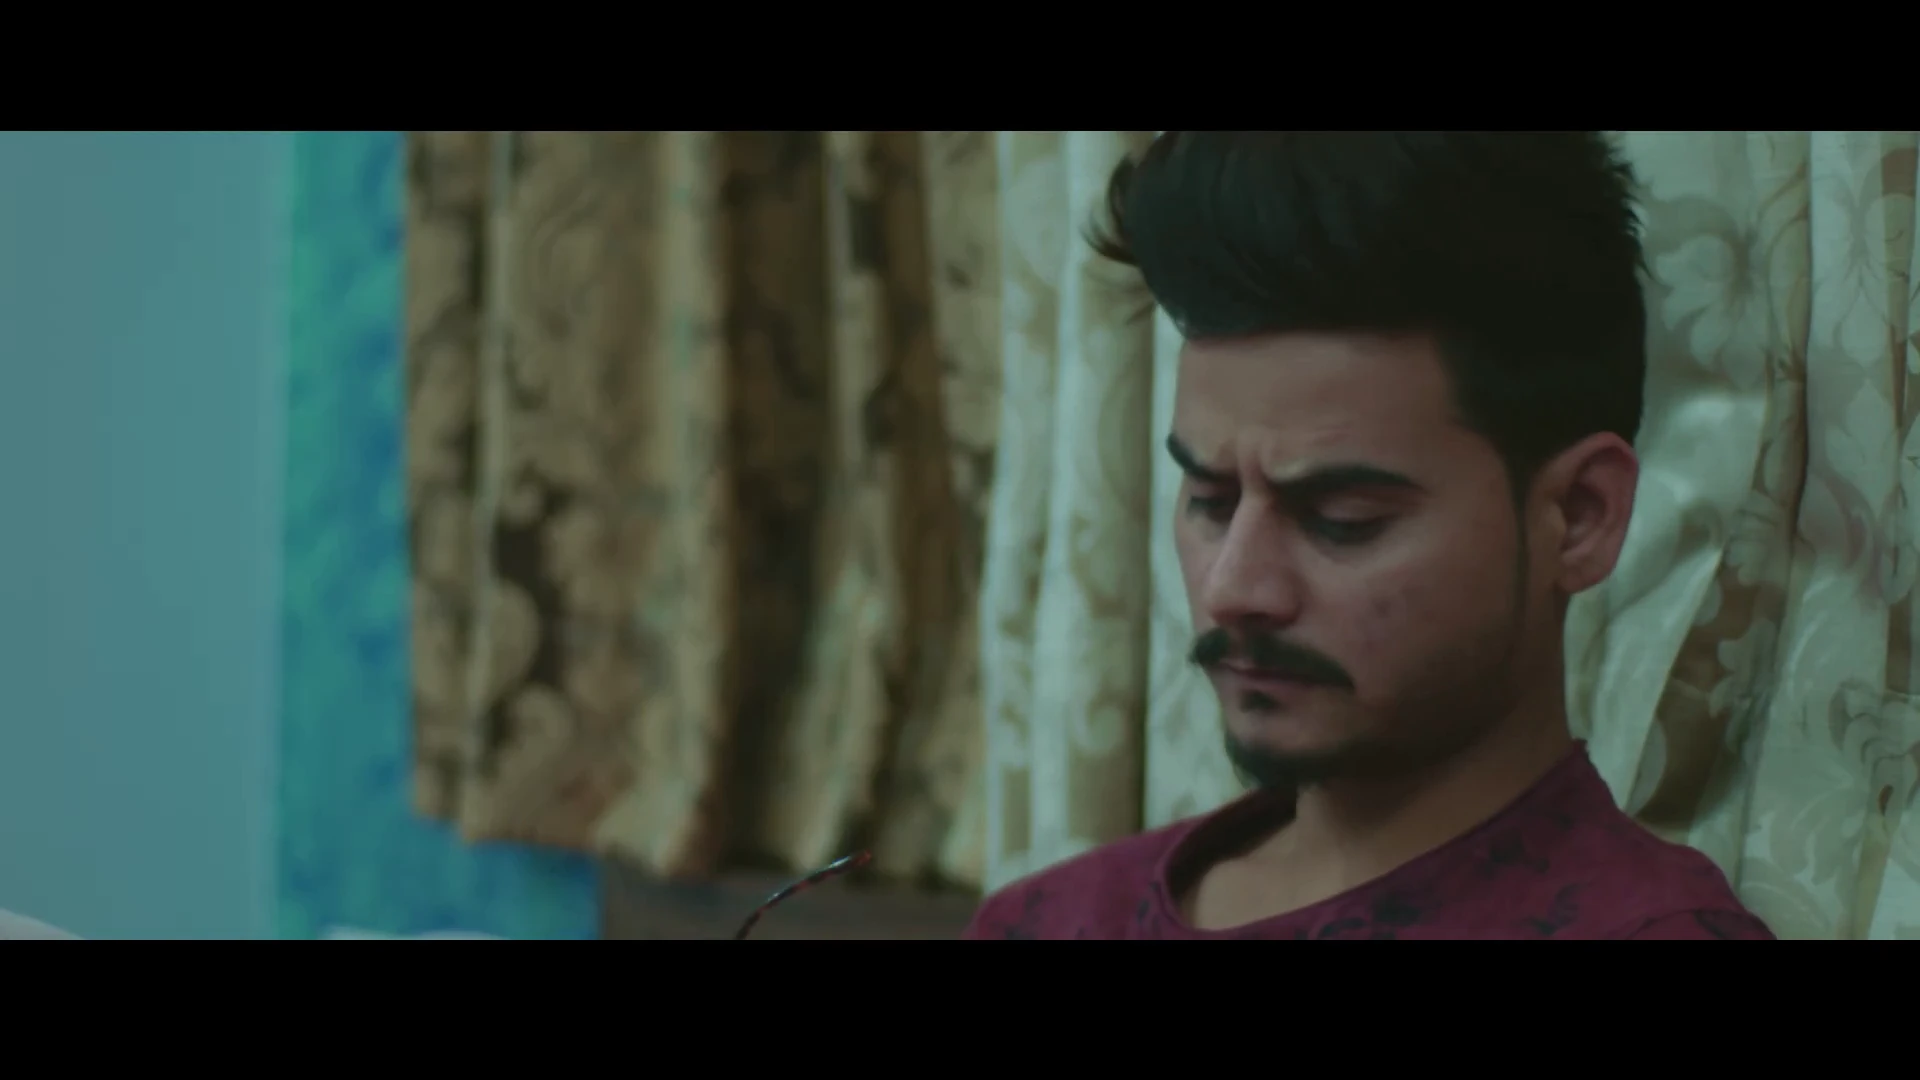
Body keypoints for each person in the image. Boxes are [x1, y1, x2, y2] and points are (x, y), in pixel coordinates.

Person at [963, 132, 1774, 941]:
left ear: (1580, 516)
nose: (1233, 589)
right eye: (1211, 500)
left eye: (1341, 520)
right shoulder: (1047, 922)